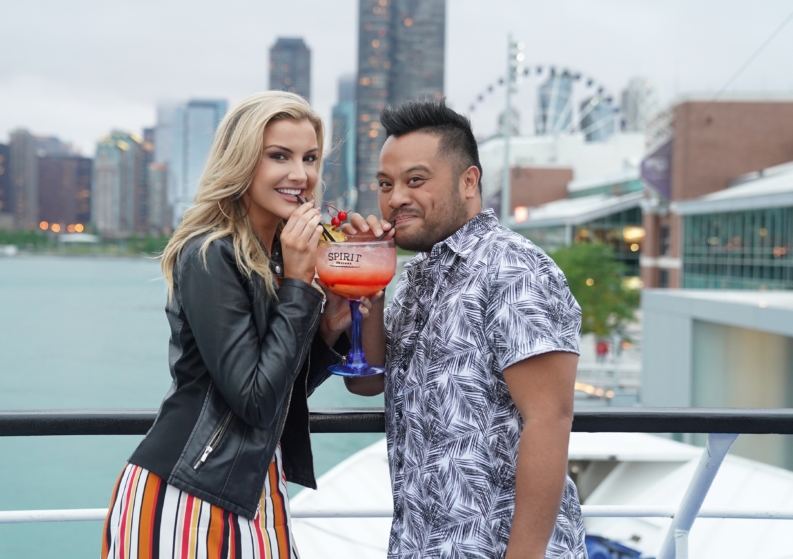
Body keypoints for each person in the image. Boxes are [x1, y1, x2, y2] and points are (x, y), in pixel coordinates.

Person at [101, 91, 363, 559]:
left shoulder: (277, 259)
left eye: (310, 158)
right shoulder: (210, 253)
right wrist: (301, 289)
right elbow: (255, 400)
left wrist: (327, 328)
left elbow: (279, 388)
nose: (300, 175)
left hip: (254, 489)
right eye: (278, 156)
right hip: (187, 497)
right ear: (241, 162)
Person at [345, 99, 587, 558]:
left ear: (469, 181)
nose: (395, 198)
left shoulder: (514, 268)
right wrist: (369, 280)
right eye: (385, 184)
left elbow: (549, 418)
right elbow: (366, 380)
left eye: (416, 180)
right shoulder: (417, 279)